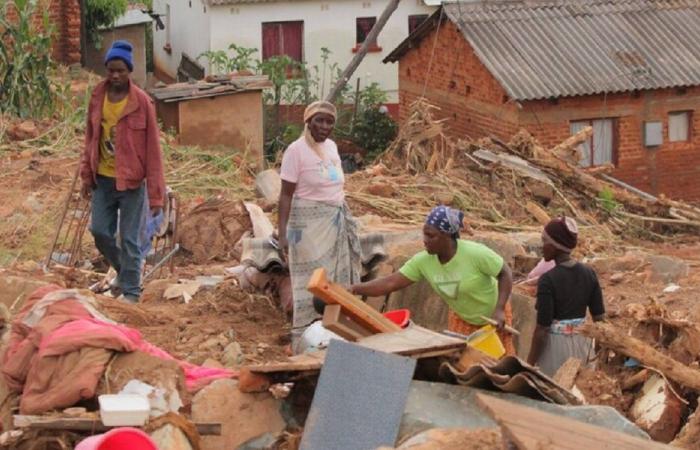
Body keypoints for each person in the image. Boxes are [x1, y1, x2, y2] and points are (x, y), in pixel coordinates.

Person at [351, 206, 516, 355]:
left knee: (500, 362)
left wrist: (500, 309)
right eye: (425, 234)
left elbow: (505, 273)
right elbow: (390, 283)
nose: (425, 240)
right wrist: (354, 289)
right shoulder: (423, 261)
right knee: (464, 363)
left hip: (494, 317)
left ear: (447, 236)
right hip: (462, 318)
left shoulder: (475, 254)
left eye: (431, 236)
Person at [79, 40, 165, 303]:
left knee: (129, 239)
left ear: (129, 71)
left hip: (131, 183)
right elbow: (91, 137)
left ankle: (131, 292)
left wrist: (156, 194)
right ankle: (125, 273)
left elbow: (153, 151)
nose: (115, 75)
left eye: (121, 70)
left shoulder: (142, 103)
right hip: (102, 179)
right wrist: (86, 174)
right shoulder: (97, 96)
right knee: (100, 232)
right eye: (111, 70)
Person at [278, 101, 361, 351]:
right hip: (306, 226)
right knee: (310, 281)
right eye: (319, 121)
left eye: (329, 122)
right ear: (308, 122)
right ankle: (304, 338)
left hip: (334, 221)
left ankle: (334, 333)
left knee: (334, 280)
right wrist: (282, 233)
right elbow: (285, 195)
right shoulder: (296, 151)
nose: (324, 127)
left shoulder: (332, 147)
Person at [526, 216, 605, 376]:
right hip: (583, 344)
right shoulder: (589, 273)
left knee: (552, 389)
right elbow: (600, 319)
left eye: (545, 242)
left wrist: (528, 364)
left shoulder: (548, 280)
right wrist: (598, 353)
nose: (542, 247)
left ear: (555, 246)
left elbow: (542, 329)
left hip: (555, 349)